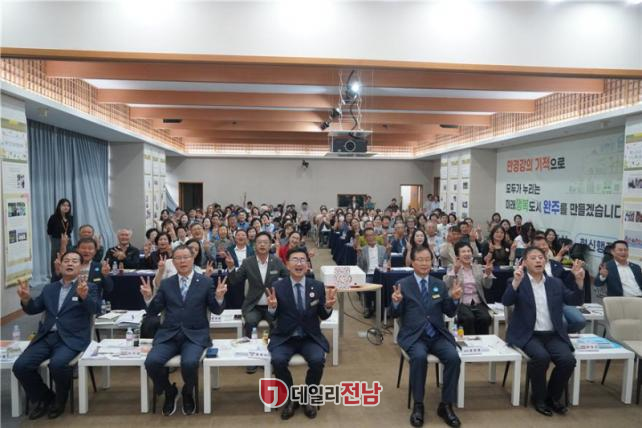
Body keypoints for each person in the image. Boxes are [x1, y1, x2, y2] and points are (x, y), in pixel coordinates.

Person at [140, 245, 228, 416]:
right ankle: (169, 391)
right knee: (151, 362)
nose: (182, 261)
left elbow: (216, 310)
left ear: (193, 259)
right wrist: (148, 297)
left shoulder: (205, 282)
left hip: (195, 335)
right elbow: (153, 311)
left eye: (186, 257)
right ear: (173, 262)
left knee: (189, 363)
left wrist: (219, 297)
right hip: (169, 334)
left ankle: (188, 392)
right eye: (178, 258)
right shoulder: (166, 283)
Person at [13, 251, 99, 420]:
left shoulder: (89, 287)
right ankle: (45, 398)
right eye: (66, 260)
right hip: (46, 337)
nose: (70, 263)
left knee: (57, 364)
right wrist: (26, 299)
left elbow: (95, 309)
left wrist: (84, 297)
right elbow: (33, 309)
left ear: (81, 266)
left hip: (72, 339)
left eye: (74, 261)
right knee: (21, 366)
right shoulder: (50, 288)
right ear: (60, 266)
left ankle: (60, 400)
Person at [502, 248, 585, 416]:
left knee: (568, 360)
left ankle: (552, 398)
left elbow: (574, 300)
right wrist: (516, 283)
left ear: (545, 261)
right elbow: (506, 301)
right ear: (525, 262)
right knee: (541, 357)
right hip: (528, 334)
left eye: (541, 257)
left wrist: (579, 282)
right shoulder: (518, 280)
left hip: (552, 334)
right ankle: (538, 398)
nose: (538, 260)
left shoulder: (555, 283)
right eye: (533, 258)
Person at [390, 247, 462, 427]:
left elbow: (449, 312)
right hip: (414, 336)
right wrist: (396, 302)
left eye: (428, 260)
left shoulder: (439, 284)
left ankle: (446, 405)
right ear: (412, 262)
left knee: (454, 358)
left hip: (437, 335)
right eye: (420, 260)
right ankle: (418, 405)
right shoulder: (403, 284)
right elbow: (395, 313)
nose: (424, 263)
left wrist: (454, 299)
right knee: (419, 357)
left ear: (432, 262)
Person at [267, 247, 337, 420]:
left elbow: (322, 314)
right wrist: (272, 307)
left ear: (307, 264)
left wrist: (328, 306)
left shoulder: (317, 286)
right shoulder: (277, 287)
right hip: (285, 337)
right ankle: (290, 397)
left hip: (309, 337)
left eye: (302, 260)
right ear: (287, 264)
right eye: (295, 260)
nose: (299, 264)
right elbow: (272, 316)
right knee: (278, 361)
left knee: (317, 360)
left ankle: (308, 396)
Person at [225, 231, 289, 373]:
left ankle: (272, 357)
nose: (262, 245)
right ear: (254, 245)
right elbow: (235, 280)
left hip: (272, 306)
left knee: (276, 324)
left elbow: (288, 278)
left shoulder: (276, 261)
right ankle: (251, 358)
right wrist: (231, 267)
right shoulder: (248, 262)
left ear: (270, 245)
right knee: (250, 322)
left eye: (265, 242)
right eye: (259, 242)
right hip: (253, 305)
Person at [531, 236, 587, 332]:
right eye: (538, 245)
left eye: (544, 244)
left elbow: (566, 283)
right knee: (562, 323)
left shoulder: (555, 264)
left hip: (561, 300)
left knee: (580, 321)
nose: (542, 247)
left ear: (548, 246)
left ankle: (559, 334)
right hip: (544, 302)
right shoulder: (532, 265)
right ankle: (558, 335)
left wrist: (572, 274)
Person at [444, 242, 493, 335]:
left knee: (485, 318)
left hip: (477, 302)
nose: (467, 254)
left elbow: (487, 285)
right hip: (461, 301)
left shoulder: (478, 267)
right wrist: (455, 270)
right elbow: (446, 284)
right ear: (458, 256)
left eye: (468, 251)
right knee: (468, 318)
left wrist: (488, 274)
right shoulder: (452, 267)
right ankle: (467, 342)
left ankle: (482, 342)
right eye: (463, 252)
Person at [356, 227, 388, 318]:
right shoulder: (362, 249)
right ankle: (368, 307)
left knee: (387, 285)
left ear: (375, 236)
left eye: (372, 235)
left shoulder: (382, 248)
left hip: (381, 273)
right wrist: (359, 255)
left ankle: (383, 308)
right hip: (368, 273)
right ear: (365, 238)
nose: (370, 237)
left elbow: (387, 261)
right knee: (367, 284)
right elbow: (360, 266)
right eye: (368, 236)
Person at [47, 198, 73, 276]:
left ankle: (68, 275)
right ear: (59, 206)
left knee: (68, 257)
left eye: (68, 206)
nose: (66, 207)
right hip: (56, 240)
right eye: (63, 205)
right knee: (56, 258)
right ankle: (55, 277)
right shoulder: (53, 217)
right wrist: (54, 241)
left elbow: (70, 230)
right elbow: (49, 231)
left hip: (68, 240)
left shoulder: (70, 218)